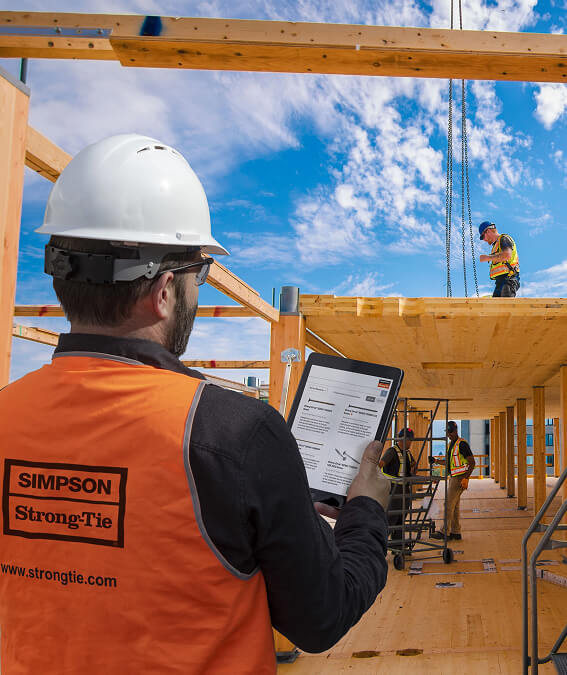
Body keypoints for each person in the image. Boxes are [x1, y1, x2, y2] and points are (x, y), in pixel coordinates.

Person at [0, 134, 391, 673]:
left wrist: (278, 510)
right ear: (164, 288)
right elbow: (322, 616)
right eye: (199, 273)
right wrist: (367, 508)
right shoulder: (235, 436)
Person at [429, 421, 476, 541]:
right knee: (454, 506)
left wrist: (466, 478)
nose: (449, 434)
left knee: (448, 504)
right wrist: (436, 461)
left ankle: (445, 531)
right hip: (453, 477)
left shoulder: (462, 444)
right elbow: (449, 463)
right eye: (447, 432)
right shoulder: (451, 445)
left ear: (455, 431)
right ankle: (455, 532)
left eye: (450, 432)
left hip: (459, 478)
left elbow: (472, 462)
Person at [379, 427, 417, 542]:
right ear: (403, 439)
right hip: (393, 490)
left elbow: (413, 464)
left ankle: (397, 543)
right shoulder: (392, 451)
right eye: (410, 440)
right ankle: (380, 543)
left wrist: (412, 472)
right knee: (391, 517)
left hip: (404, 489)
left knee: (402, 517)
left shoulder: (407, 453)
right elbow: (380, 464)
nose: (411, 443)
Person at [478, 221, 520, 297]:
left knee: (505, 306)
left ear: (488, 231)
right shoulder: (496, 246)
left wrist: (487, 258)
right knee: (495, 307)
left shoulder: (503, 238)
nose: (484, 240)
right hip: (500, 282)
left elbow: (507, 255)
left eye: (482, 237)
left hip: (508, 280)